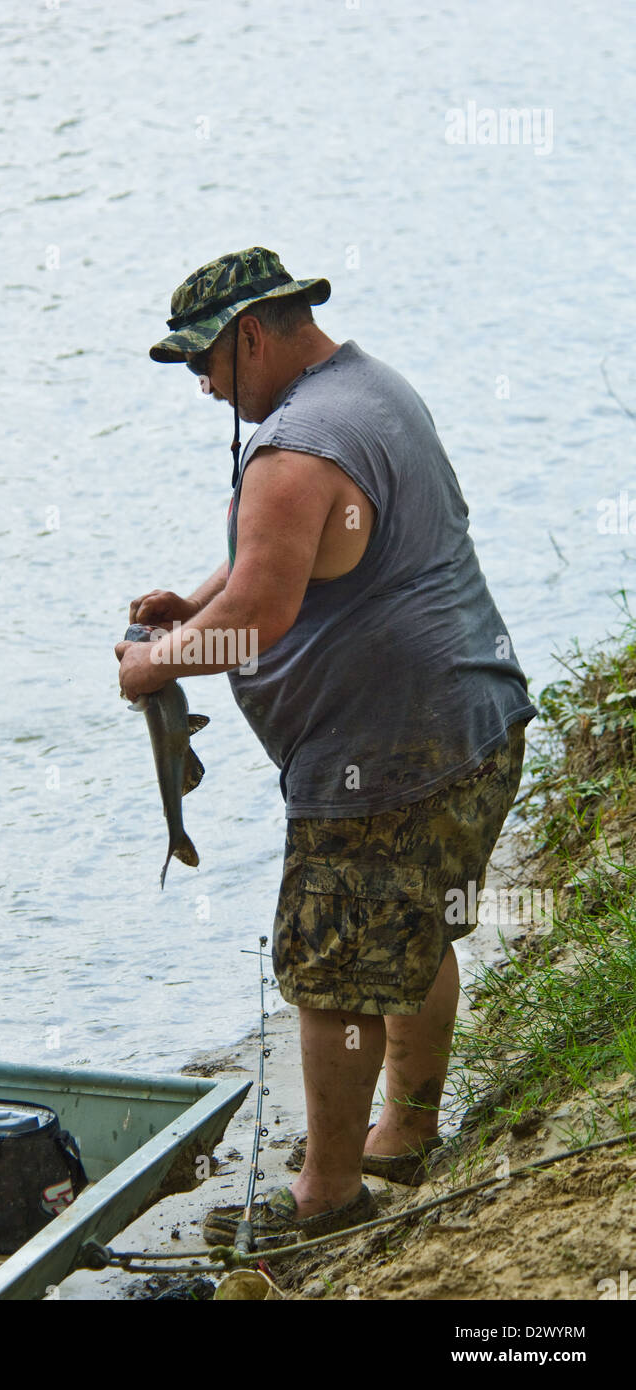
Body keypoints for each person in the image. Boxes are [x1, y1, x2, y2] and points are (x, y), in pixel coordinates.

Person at [115, 246, 538, 1244]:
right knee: (409, 935)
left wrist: (154, 665)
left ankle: (325, 1200)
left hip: (387, 767)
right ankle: (406, 1130)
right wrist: (196, 599)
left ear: (249, 335)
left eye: (203, 366)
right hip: (476, 728)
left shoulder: (291, 450)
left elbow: (257, 617)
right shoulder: (368, 392)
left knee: (333, 973)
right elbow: (287, 566)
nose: (205, 386)